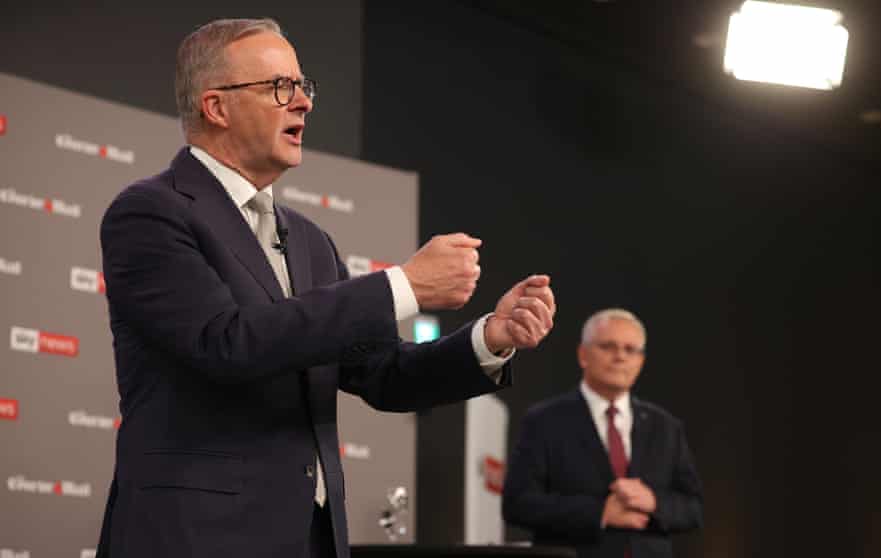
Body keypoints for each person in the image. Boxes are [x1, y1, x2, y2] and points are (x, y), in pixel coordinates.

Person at [95, 18, 556, 558]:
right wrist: (402, 286)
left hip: (310, 539)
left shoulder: (311, 241)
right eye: (279, 87)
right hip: (196, 536)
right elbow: (224, 342)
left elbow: (384, 377)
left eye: (302, 86)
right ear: (216, 107)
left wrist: (488, 340)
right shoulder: (151, 213)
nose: (304, 104)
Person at [502, 309, 701, 558]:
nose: (620, 356)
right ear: (583, 354)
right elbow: (517, 504)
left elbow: (693, 509)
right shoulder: (544, 421)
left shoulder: (666, 427)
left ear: (641, 361)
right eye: (608, 346)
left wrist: (654, 502)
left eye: (631, 349)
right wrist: (599, 513)